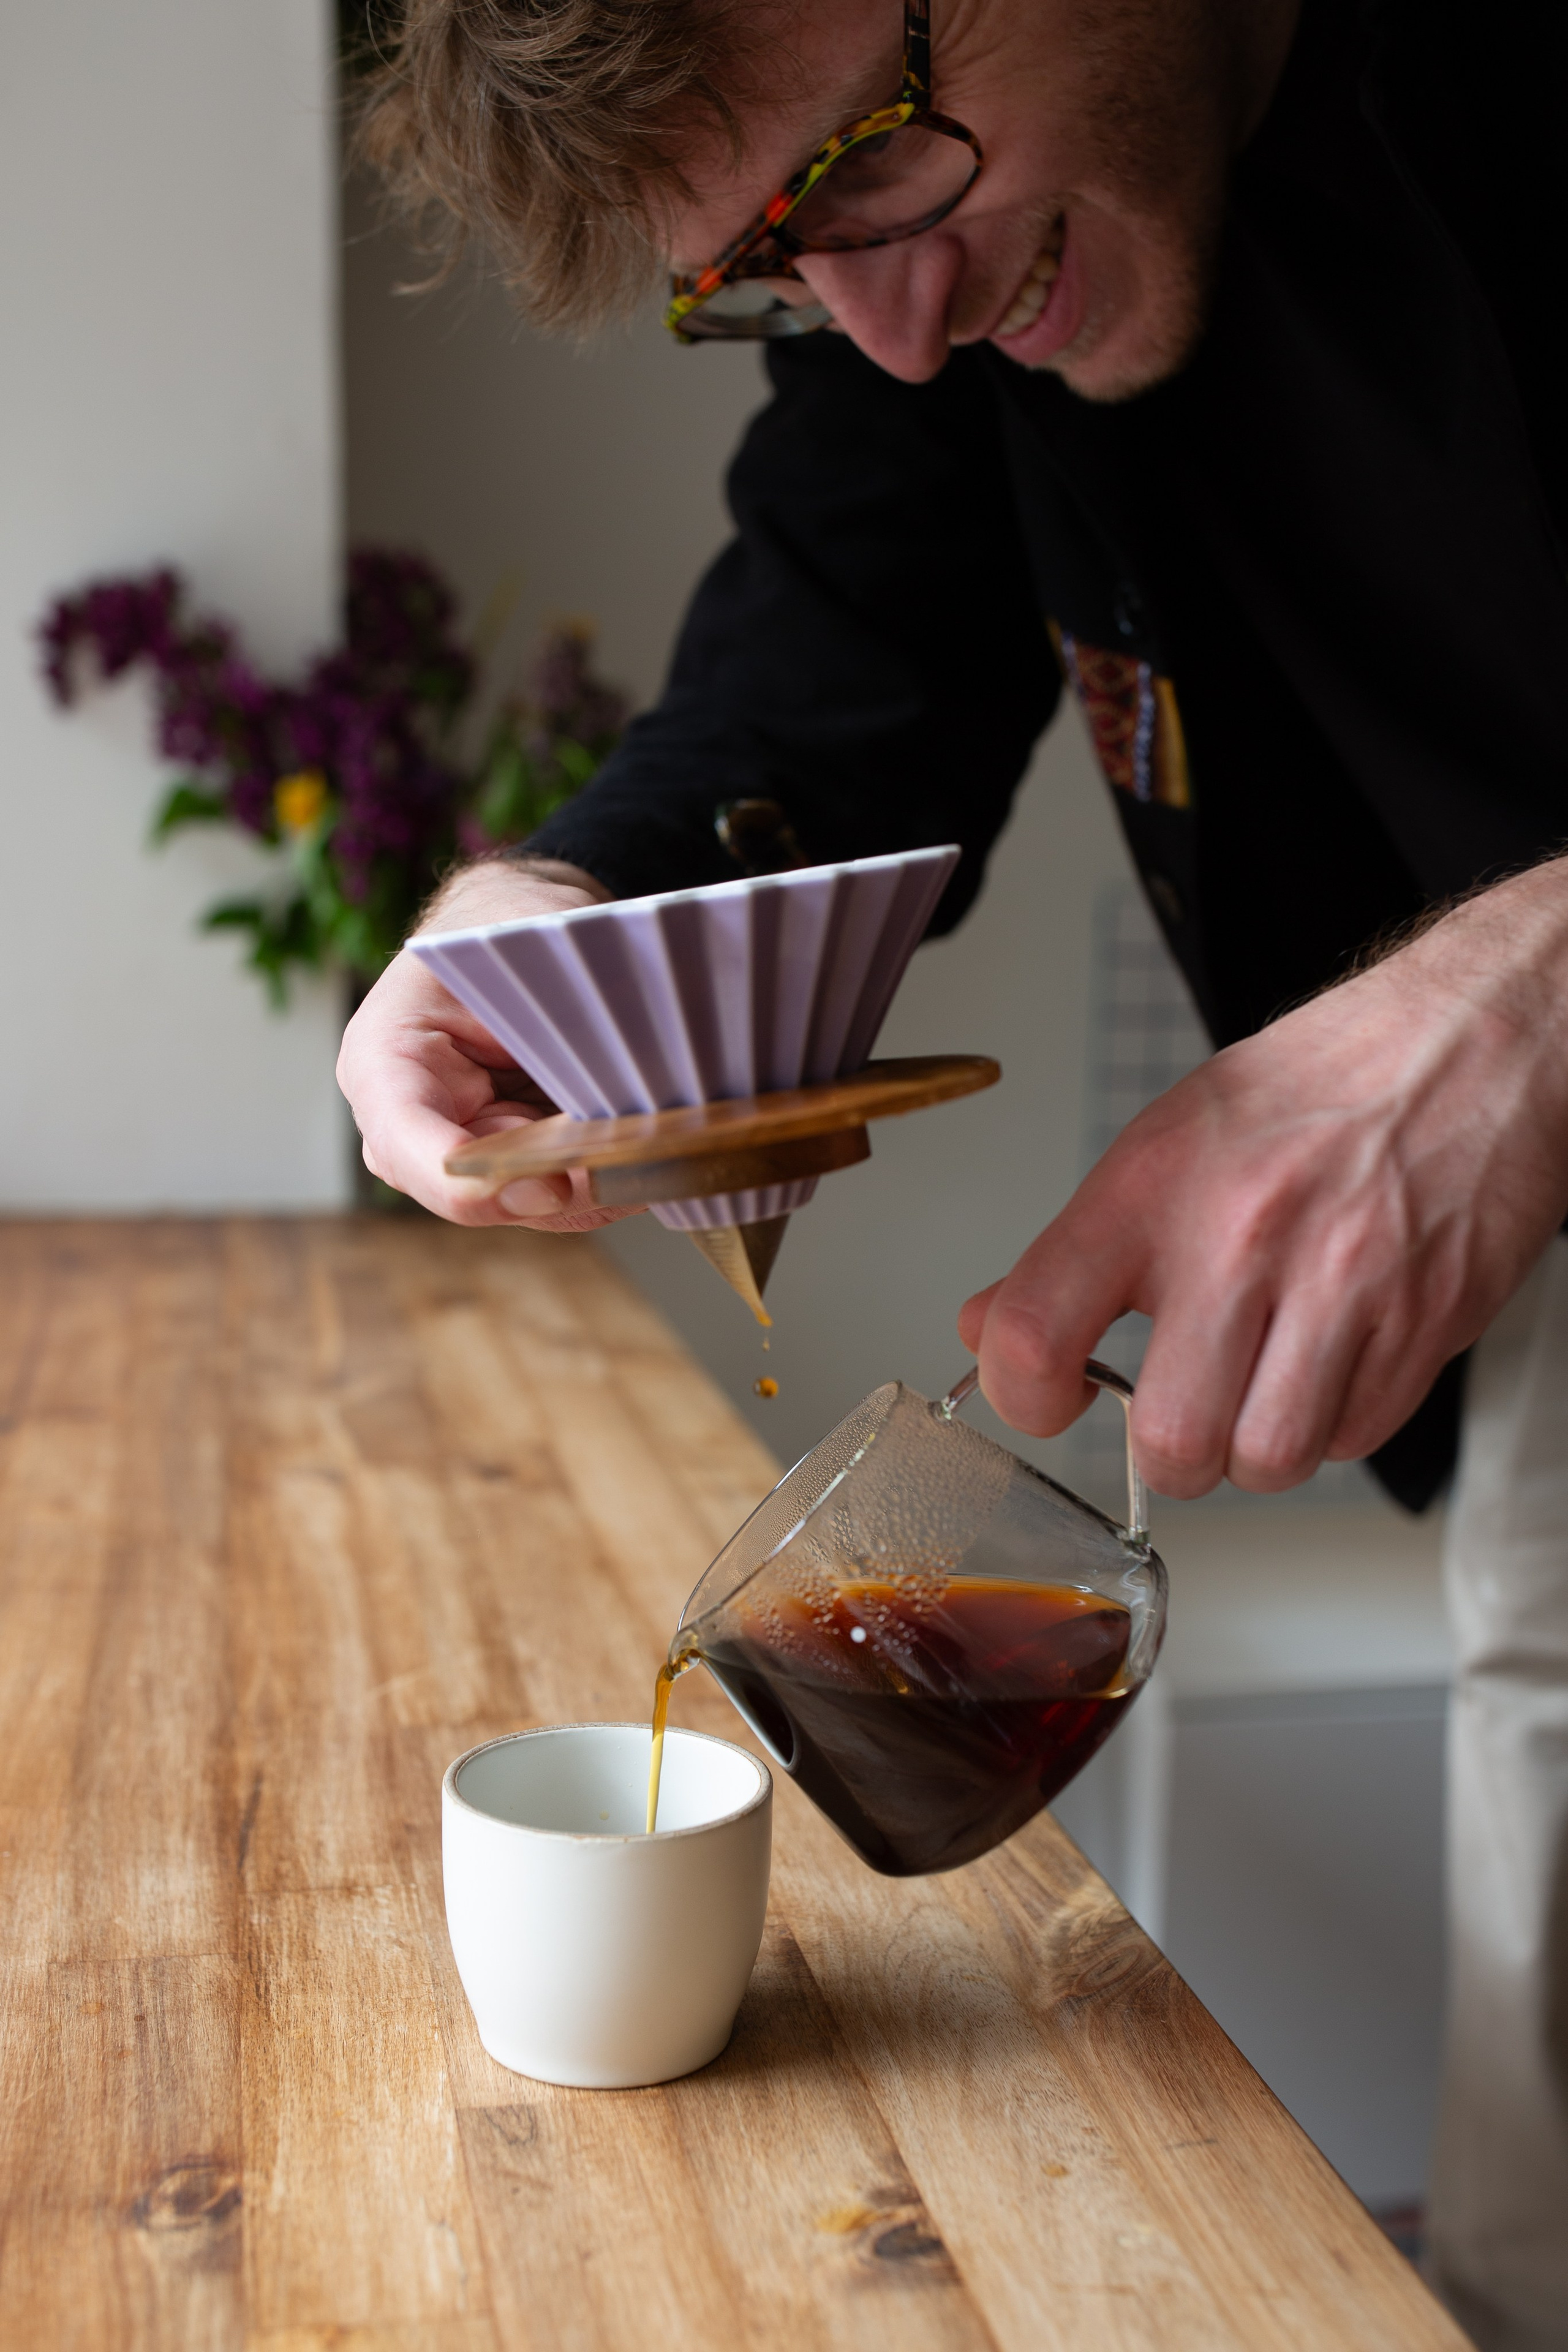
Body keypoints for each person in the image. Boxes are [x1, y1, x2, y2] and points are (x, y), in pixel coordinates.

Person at [336, 1, 1568, 2338]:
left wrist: (1530, 996)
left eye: (868, 172)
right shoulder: (935, 249)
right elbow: (841, 635)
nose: (892, 334)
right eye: (783, 268)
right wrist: (571, 924)